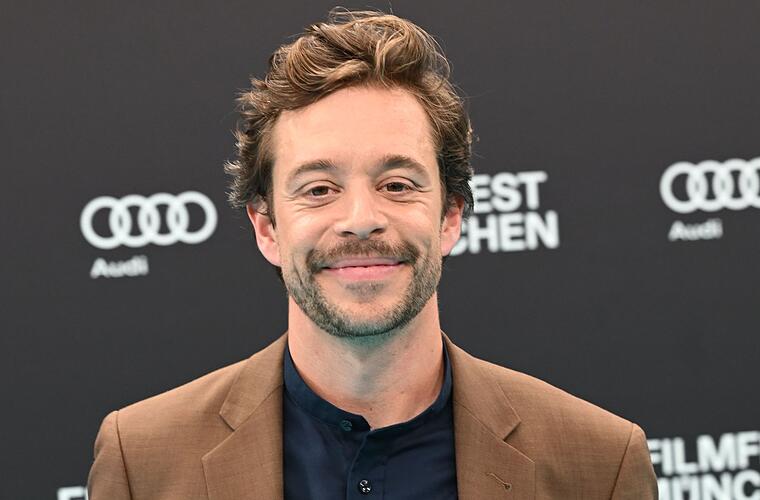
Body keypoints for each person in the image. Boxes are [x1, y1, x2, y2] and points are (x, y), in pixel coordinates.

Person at [88, 9, 657, 499]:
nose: (360, 217)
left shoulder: (598, 464)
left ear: (450, 216)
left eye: (397, 184)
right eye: (319, 189)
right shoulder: (143, 462)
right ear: (267, 228)